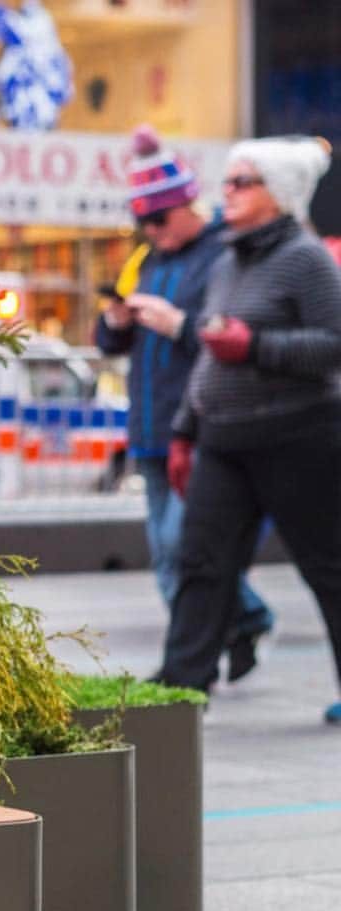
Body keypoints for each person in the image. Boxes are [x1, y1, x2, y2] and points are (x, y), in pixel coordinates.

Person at [155, 136, 341, 725]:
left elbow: (335, 346)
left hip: (299, 440)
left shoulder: (306, 258)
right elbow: (211, 356)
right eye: (228, 181)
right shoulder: (229, 260)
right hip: (223, 442)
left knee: (329, 569)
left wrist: (254, 344)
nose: (226, 193)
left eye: (242, 183)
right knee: (201, 564)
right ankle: (179, 694)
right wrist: (185, 432)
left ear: (279, 195)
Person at [97, 126, 274, 682]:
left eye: (158, 220)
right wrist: (115, 322)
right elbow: (112, 344)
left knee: (184, 546)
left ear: (184, 207)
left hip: (197, 424)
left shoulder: (222, 254)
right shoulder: (148, 258)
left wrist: (179, 325)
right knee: (169, 554)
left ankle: (202, 650)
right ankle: (230, 629)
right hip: (148, 426)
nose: (150, 231)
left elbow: (231, 335)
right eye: (142, 222)